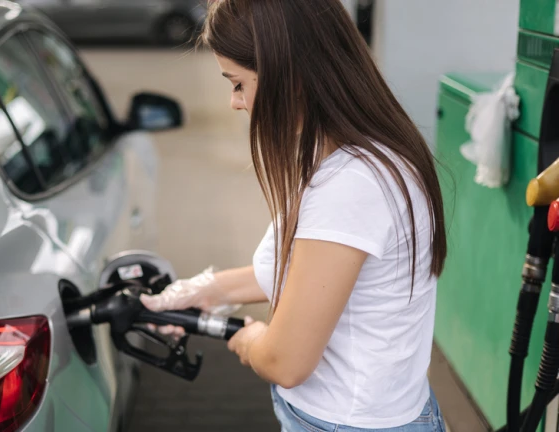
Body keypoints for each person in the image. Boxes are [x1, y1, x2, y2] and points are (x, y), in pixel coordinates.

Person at [139, 0, 448, 431]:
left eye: (238, 84)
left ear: (292, 78)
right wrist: (207, 290)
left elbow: (285, 362)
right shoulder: (357, 153)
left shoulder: (351, 185)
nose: (234, 102)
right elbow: (312, 273)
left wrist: (247, 338)